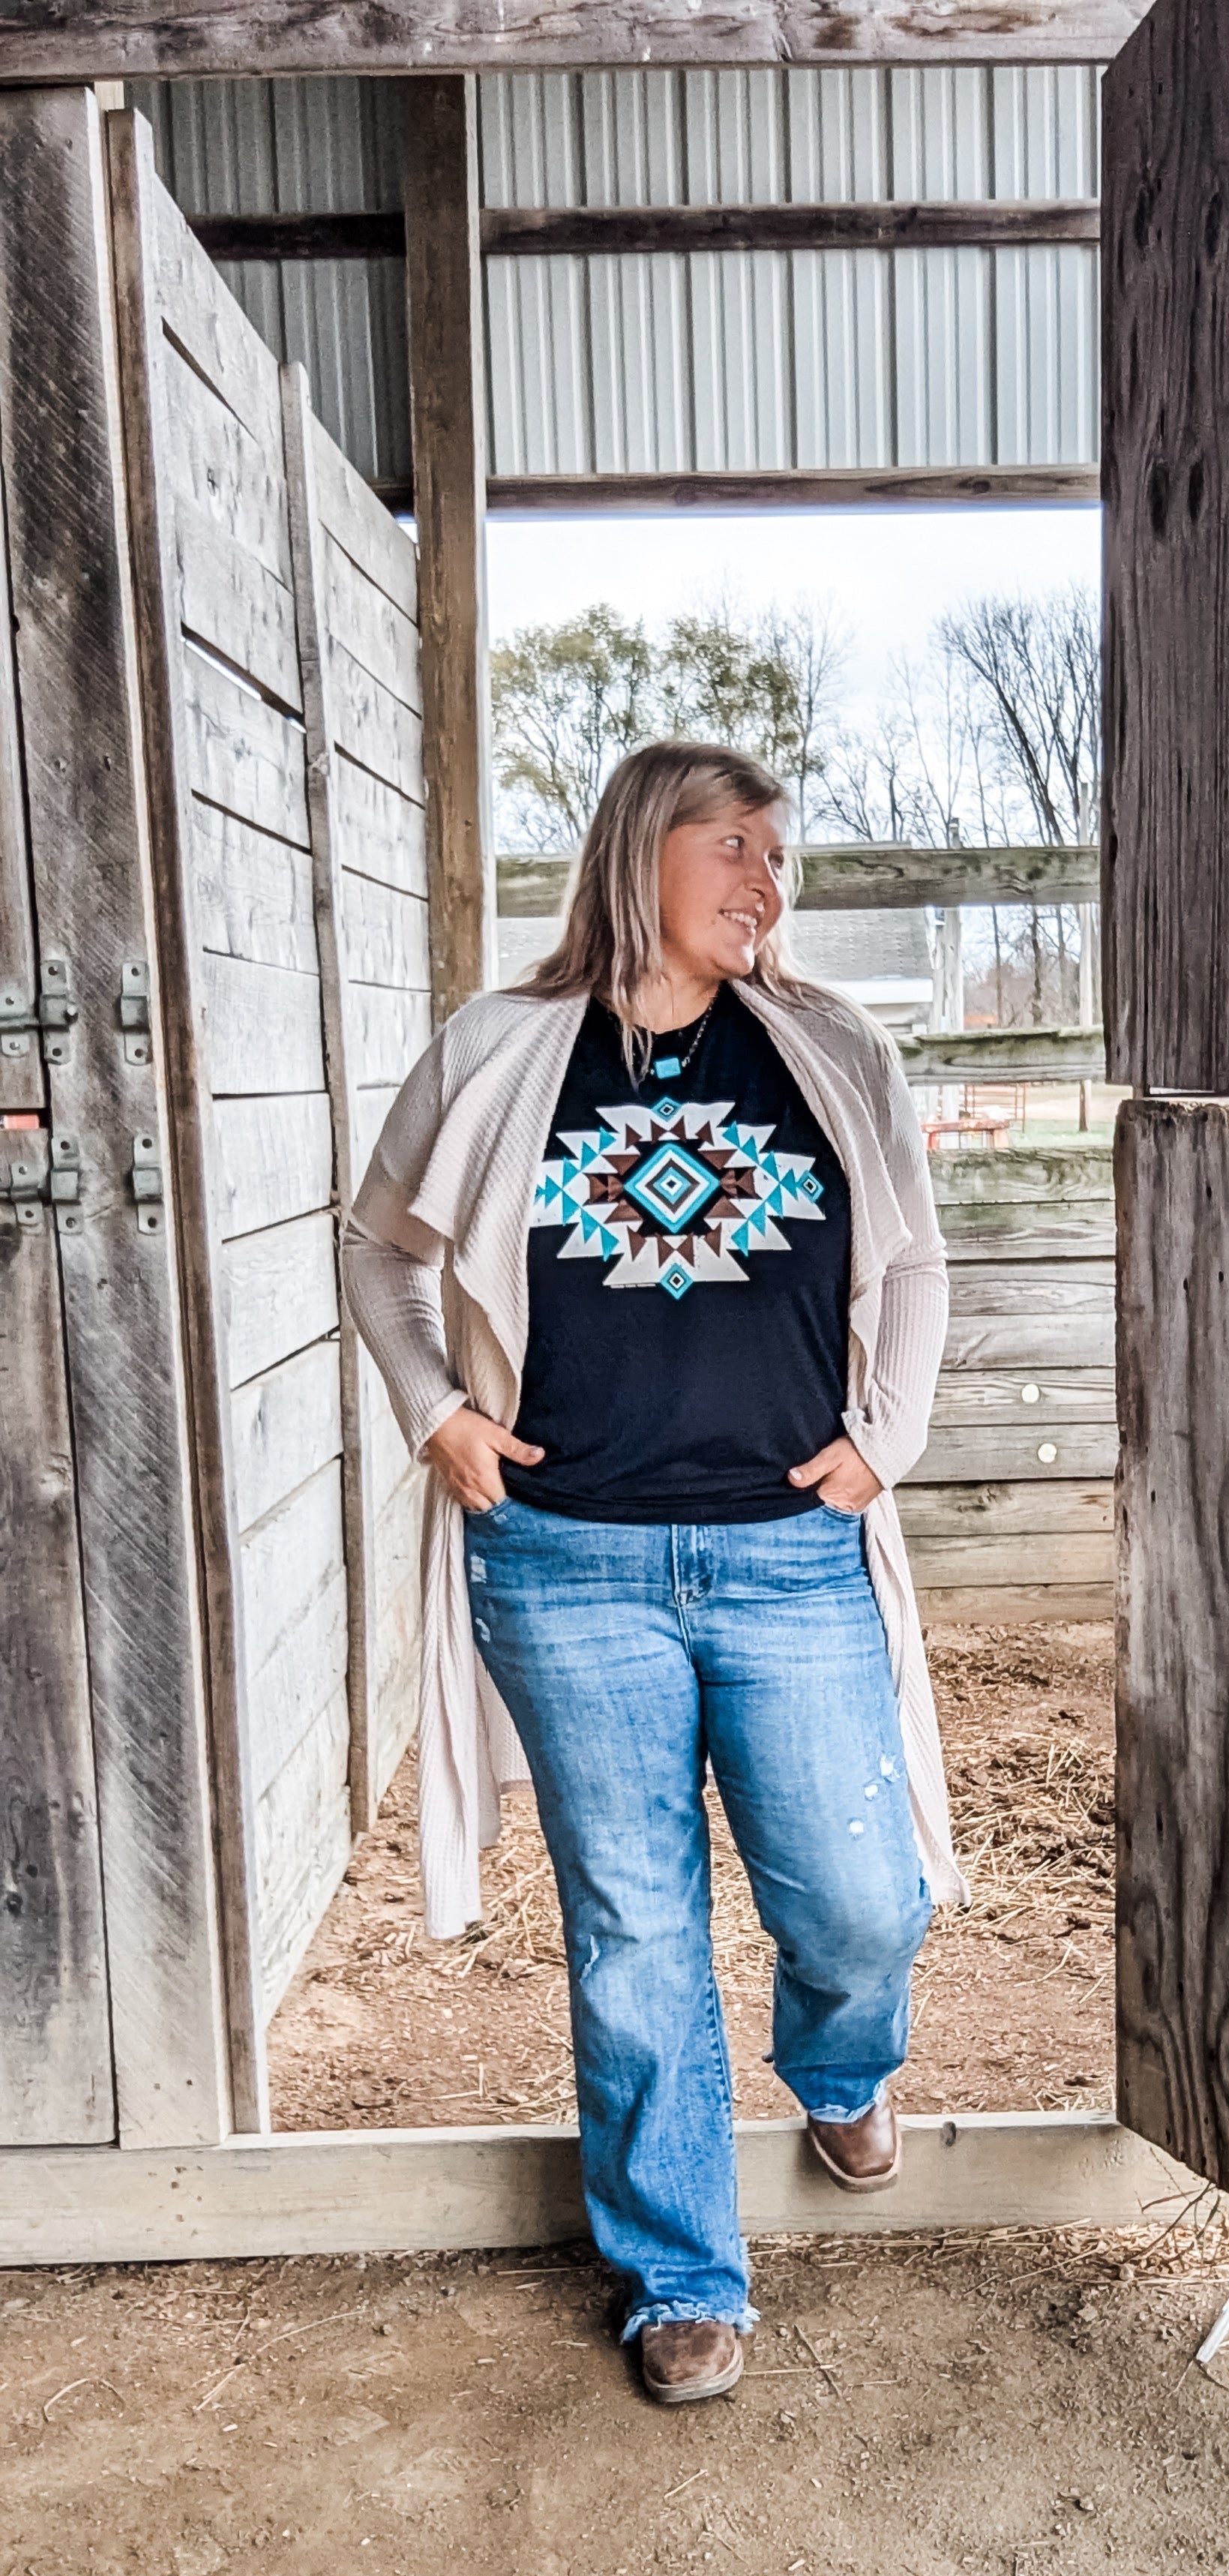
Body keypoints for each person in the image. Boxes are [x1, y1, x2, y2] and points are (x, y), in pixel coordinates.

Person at [343, 740, 963, 2407]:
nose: (772, 880)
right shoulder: (497, 1051)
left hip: (788, 1556)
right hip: (564, 1564)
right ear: (644, 851)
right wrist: (436, 1414)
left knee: (855, 1895)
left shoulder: (831, 1050)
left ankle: (841, 2066)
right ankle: (681, 2274)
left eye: (784, 855)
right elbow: (377, 1244)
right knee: (633, 1927)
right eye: (739, 847)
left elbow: (906, 1258)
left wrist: (886, 1436)